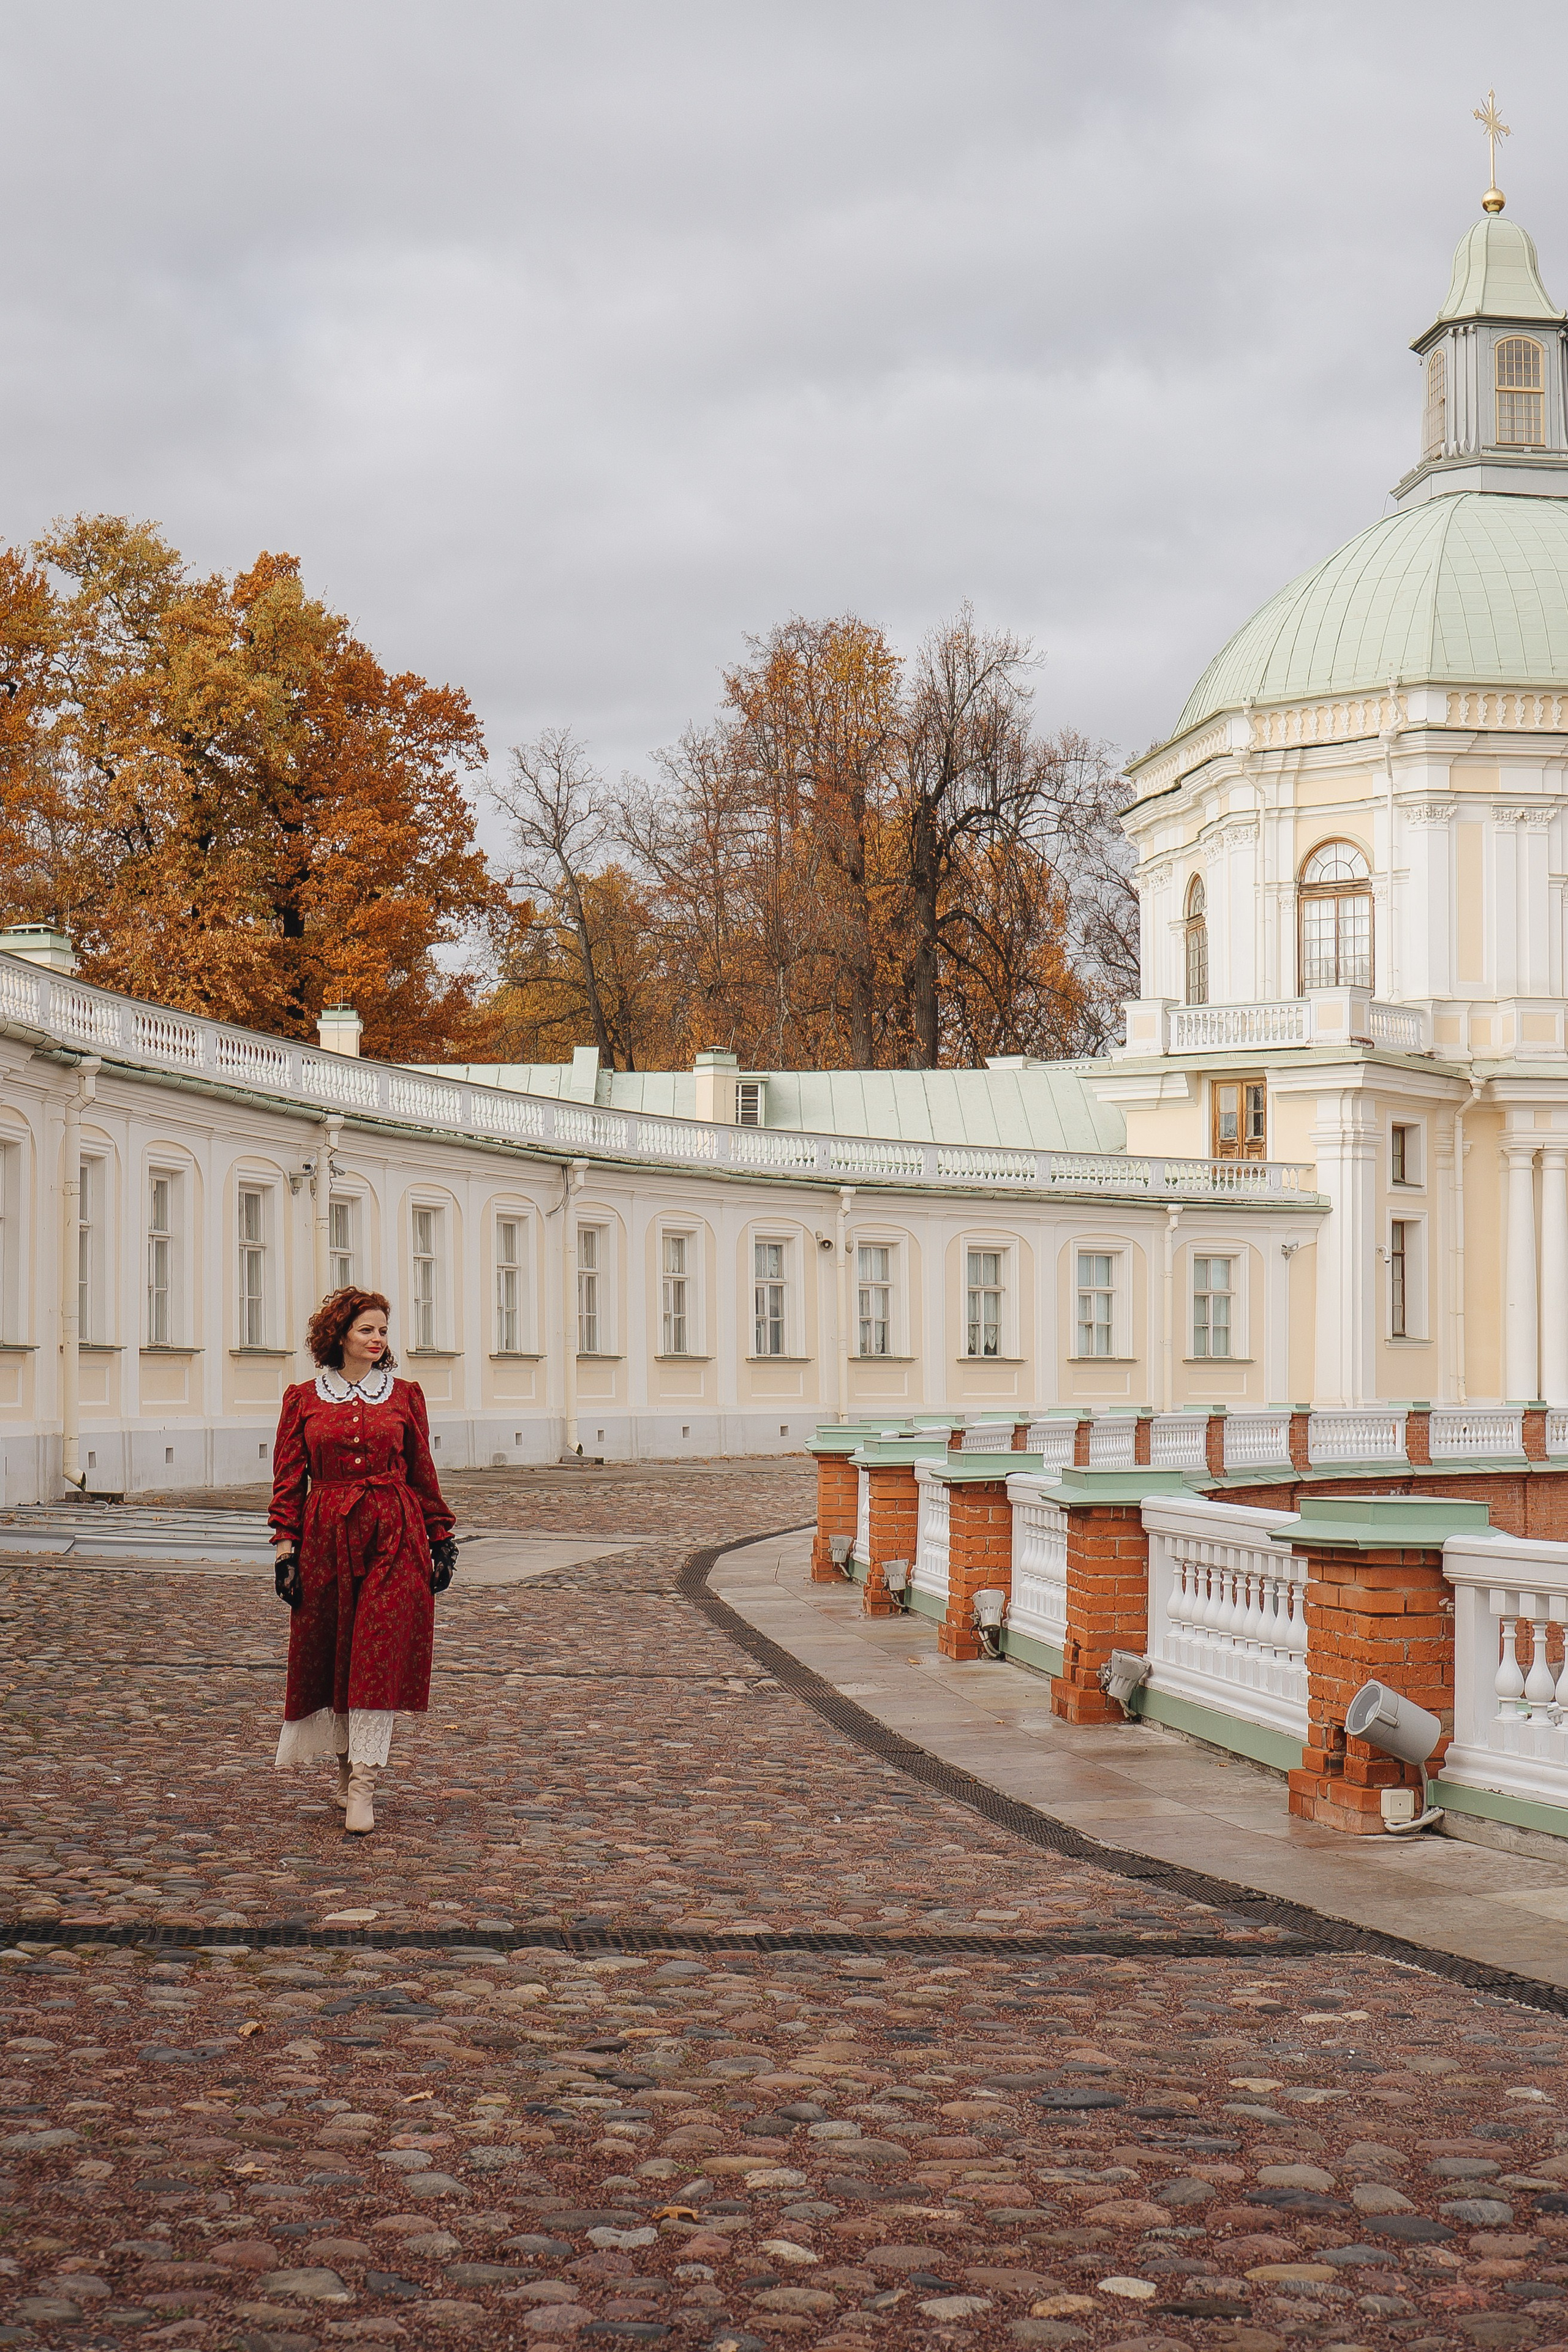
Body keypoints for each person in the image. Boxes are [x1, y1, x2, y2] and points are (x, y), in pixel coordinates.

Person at [267, 1287, 458, 1833]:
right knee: (334, 1654)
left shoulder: (405, 1396)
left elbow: (423, 1470)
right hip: (326, 1535)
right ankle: (345, 1769)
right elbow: (287, 1482)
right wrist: (286, 1550)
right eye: (366, 1331)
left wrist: (440, 1538)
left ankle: (364, 1787)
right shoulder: (303, 1398)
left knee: (377, 1650)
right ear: (340, 1336)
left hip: (394, 1532)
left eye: (382, 1331)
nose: (377, 1340)